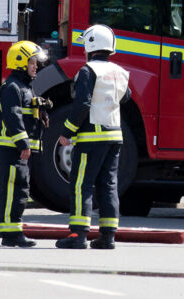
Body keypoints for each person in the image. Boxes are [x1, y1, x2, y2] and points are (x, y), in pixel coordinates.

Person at [56, 24, 131, 249]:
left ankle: (78, 236)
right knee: (109, 184)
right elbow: (125, 97)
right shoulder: (120, 71)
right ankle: (108, 237)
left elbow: (82, 105)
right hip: (114, 135)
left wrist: (67, 132)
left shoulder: (88, 71)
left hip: (91, 137)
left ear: (91, 45)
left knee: (82, 184)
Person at [0, 41, 49, 247]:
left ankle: (14, 231)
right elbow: (12, 117)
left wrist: (42, 112)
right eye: (32, 62)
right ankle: (10, 234)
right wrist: (23, 143)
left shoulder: (26, 87)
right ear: (20, 62)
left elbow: (25, 112)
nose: (35, 66)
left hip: (20, 148)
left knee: (21, 189)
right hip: (13, 148)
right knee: (12, 189)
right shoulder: (11, 87)